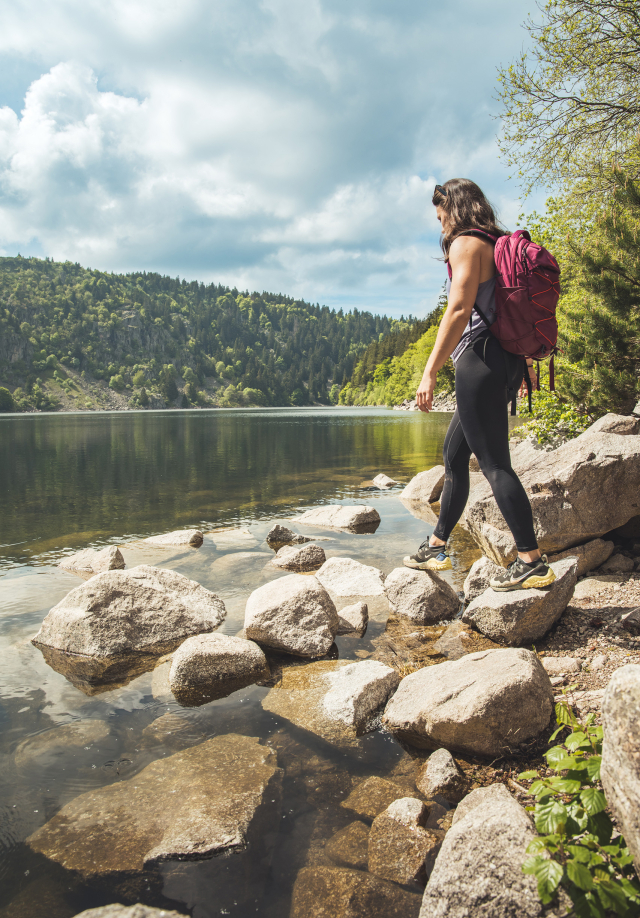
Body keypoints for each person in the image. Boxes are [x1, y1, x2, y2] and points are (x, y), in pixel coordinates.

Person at [403, 178, 556, 591]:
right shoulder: (494, 241)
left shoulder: (466, 243)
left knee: (494, 464)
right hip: (500, 359)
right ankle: (436, 545)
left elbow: (458, 309)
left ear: (453, 208)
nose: (440, 226)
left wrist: (430, 370)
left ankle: (531, 561)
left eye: (440, 216)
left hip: (480, 359)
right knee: (454, 457)